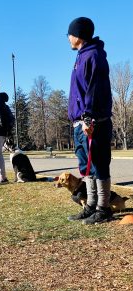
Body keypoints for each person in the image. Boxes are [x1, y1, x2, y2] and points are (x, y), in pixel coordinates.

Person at [67, 17, 113, 224]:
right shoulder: (80, 56)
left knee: (99, 164)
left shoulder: (94, 56)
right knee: (86, 165)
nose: (68, 38)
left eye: (69, 34)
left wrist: (88, 117)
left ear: (78, 34)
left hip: (94, 121)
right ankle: (91, 205)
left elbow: (94, 90)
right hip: (80, 122)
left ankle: (103, 207)